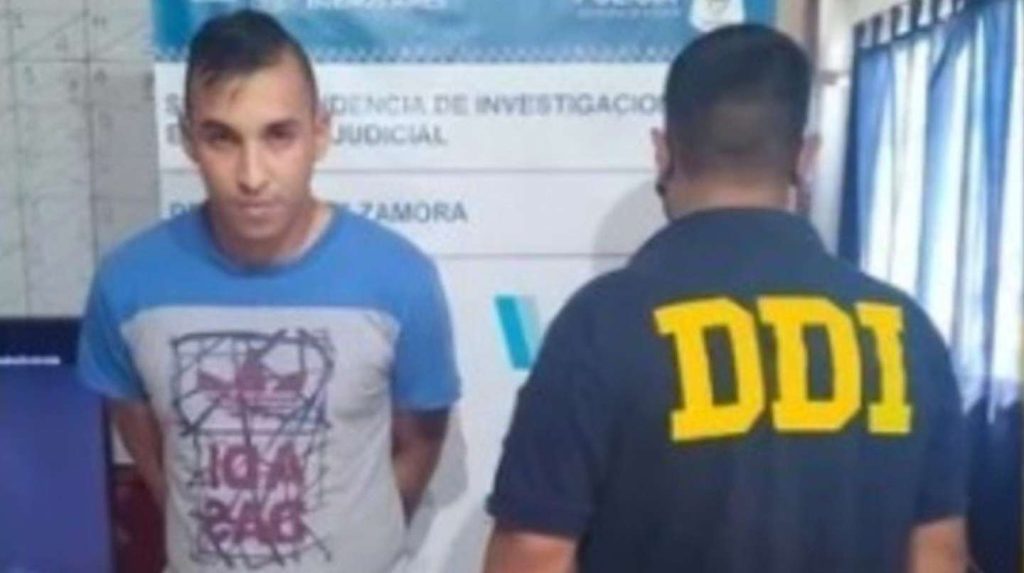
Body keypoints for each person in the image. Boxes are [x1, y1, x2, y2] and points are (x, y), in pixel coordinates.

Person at [484, 24, 967, 573]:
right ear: (806, 157)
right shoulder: (905, 330)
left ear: (662, 151)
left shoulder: (600, 324)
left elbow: (533, 555)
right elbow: (939, 554)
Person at [77, 9, 460, 572]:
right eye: (222, 138)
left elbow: (419, 446)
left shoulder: (400, 280)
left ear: (320, 133)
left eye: (279, 135)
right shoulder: (126, 283)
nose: (252, 176)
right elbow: (150, 451)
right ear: (188, 139)